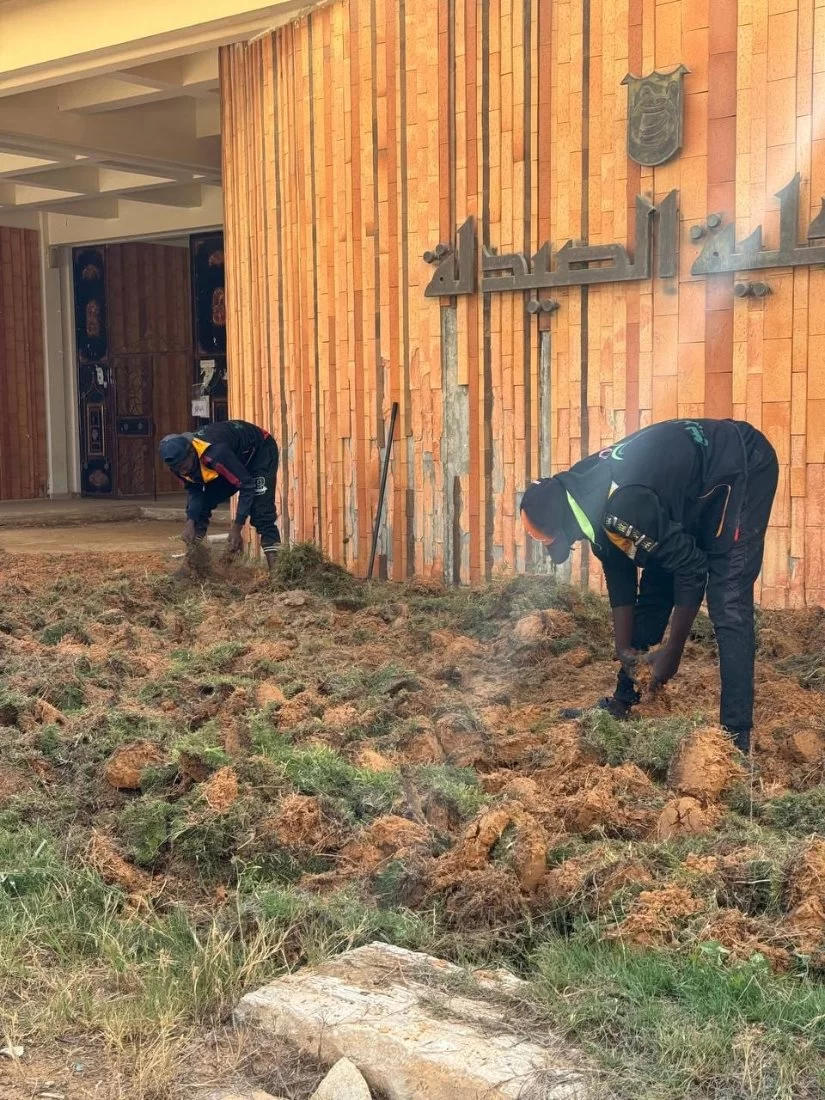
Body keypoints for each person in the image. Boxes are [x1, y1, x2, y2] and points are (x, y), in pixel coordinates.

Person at [520, 418, 778, 753]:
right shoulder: (583, 495)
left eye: (546, 539)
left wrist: (672, 651)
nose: (548, 545)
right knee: (660, 573)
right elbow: (619, 569)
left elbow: (692, 568)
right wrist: (623, 647)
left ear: (562, 524)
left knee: (727, 599)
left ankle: (735, 736)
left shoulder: (620, 506)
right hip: (679, 492)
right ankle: (623, 701)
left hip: (738, 462)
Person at [159, 419, 281, 570]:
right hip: (234, 458)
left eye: (184, 466)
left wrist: (236, 529)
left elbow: (247, 485)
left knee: (261, 511)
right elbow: (195, 489)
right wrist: (190, 522)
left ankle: (278, 573)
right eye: (178, 469)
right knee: (200, 508)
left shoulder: (216, 453)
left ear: (192, 453)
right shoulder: (178, 466)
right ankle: (192, 569)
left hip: (259, 451)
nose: (183, 472)